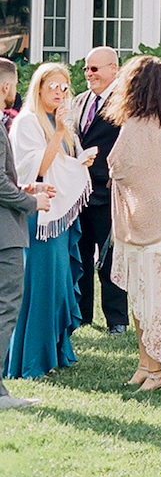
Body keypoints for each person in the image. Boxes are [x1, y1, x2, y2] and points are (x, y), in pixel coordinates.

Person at [107, 55, 161, 391]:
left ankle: (158, 370)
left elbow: (119, 167)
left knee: (146, 299)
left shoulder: (136, 125)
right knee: (159, 297)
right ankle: (147, 363)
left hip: (145, 220)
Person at [6, 62, 86, 379]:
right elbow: (35, 168)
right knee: (38, 285)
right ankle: (29, 358)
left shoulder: (59, 122)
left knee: (56, 283)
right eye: (52, 85)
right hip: (36, 216)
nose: (59, 91)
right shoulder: (27, 122)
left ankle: (54, 350)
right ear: (38, 88)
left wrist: (80, 160)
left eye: (64, 86)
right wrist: (58, 134)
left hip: (58, 215)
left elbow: (63, 163)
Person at [72, 47, 128, 335]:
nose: (89, 74)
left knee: (110, 259)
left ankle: (117, 319)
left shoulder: (125, 104)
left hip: (109, 192)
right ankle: (82, 315)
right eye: (86, 69)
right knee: (80, 256)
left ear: (113, 69)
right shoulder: (79, 101)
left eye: (95, 69)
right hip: (79, 194)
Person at [0, 58, 44, 410]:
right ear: (6, 87)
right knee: (5, 306)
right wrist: (31, 201)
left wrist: (22, 186)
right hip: (4, 234)